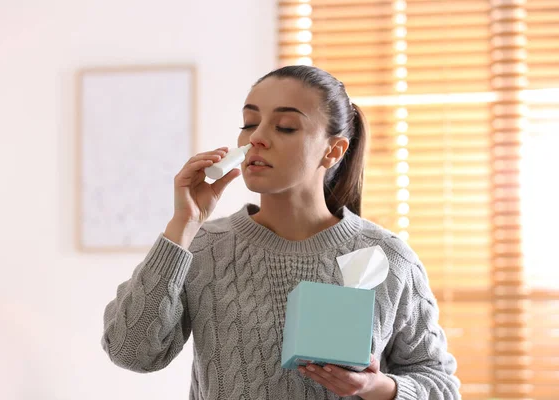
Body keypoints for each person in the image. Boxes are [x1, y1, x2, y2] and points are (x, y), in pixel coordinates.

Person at [101, 65, 461, 399]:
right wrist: (183, 225)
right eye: (249, 123)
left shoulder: (387, 257)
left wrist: (378, 386)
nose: (256, 138)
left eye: (285, 126)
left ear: (333, 150)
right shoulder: (203, 247)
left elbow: (441, 384)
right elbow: (130, 352)